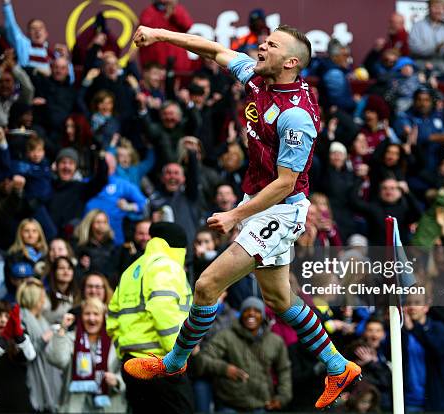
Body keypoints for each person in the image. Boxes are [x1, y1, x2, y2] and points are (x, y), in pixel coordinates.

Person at [125, 23, 362, 409]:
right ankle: (338, 366)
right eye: (264, 39)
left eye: (271, 44)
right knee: (280, 300)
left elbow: (286, 183)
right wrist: (159, 35)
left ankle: (174, 362)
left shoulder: (297, 116)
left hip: (280, 209)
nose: (261, 45)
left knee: (205, 286)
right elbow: (213, 49)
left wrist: (235, 214)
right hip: (260, 199)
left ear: (289, 63)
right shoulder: (257, 75)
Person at [107, 222, 194, 413]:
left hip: (132, 365)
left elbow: (112, 318)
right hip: (161, 364)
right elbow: (162, 309)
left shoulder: (132, 269)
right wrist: (179, 354)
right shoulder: (167, 265)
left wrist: (125, 351)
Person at [192, 296, 292, 411]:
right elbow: (202, 360)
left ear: (263, 316)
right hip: (230, 404)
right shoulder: (227, 336)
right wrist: (224, 369)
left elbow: (284, 370)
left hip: (261, 404)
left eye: (257, 311)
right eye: (247, 310)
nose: (251, 314)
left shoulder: (275, 341)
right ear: (241, 314)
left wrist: (283, 397)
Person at [46, 298, 127, 412]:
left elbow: (127, 369)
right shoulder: (70, 338)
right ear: (81, 317)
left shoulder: (116, 341)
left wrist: (118, 380)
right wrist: (62, 329)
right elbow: (57, 360)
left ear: (103, 317)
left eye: (96, 314)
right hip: (76, 407)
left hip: (109, 406)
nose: (91, 318)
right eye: (87, 314)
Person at [17, 277, 62, 412]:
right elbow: (24, 354)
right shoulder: (22, 318)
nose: (44, 300)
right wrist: (44, 339)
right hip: (32, 376)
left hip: (48, 372)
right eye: (42, 296)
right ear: (35, 298)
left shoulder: (41, 318)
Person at [409, 0, 444, 80]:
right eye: (435, 7)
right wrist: (435, 49)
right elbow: (414, 47)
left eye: (442, 8)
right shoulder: (418, 26)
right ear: (429, 8)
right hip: (422, 72)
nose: (439, 11)